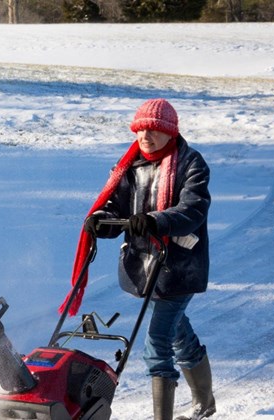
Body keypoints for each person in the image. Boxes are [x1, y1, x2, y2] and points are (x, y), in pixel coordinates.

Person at [72, 98, 215, 420]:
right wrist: (100, 219)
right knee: (179, 334)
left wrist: (154, 220)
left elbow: (193, 210)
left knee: (157, 344)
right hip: (143, 268)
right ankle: (205, 404)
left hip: (179, 267)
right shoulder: (129, 166)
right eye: (140, 129)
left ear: (170, 133)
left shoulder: (191, 164)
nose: (145, 136)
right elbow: (116, 207)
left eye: (154, 129)